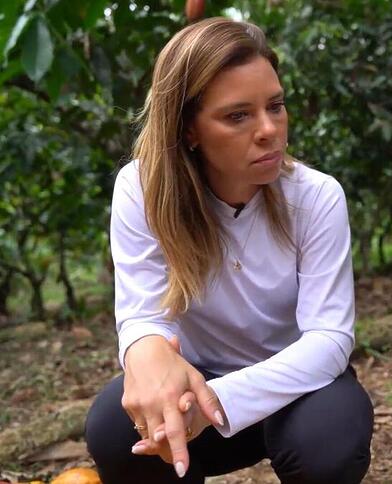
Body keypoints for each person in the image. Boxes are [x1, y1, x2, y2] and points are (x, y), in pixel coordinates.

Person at [84, 18, 373, 484]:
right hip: (192, 385)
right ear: (190, 129)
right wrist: (149, 359)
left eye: (275, 107)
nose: (268, 130)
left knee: (330, 441)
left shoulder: (316, 197)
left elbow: (329, 339)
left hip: (296, 388)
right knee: (114, 432)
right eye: (237, 115)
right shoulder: (142, 190)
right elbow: (142, 317)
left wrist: (216, 401)